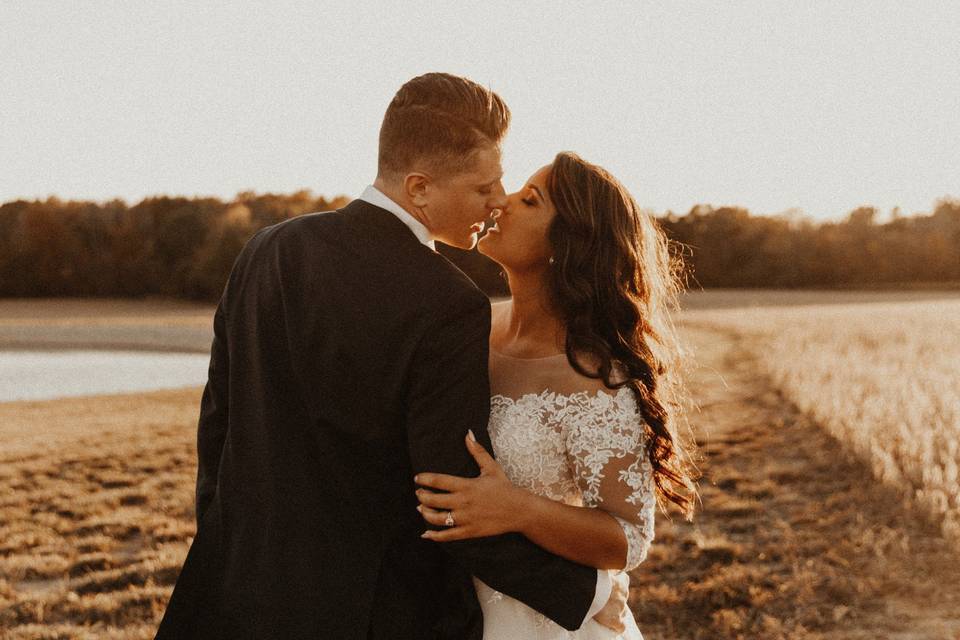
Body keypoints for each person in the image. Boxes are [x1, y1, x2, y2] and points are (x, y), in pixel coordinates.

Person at [154, 74, 625, 640]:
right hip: (372, 614)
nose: (496, 201)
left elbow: (219, 427)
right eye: (483, 188)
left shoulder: (268, 249)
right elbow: (447, 493)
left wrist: (228, 542)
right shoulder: (449, 304)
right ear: (420, 187)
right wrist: (587, 593)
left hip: (236, 595)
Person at [414, 152, 697, 639]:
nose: (500, 202)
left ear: (567, 245)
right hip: (438, 602)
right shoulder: (469, 325)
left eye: (530, 200)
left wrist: (518, 508)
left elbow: (629, 537)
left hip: (541, 618)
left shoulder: (593, 377)